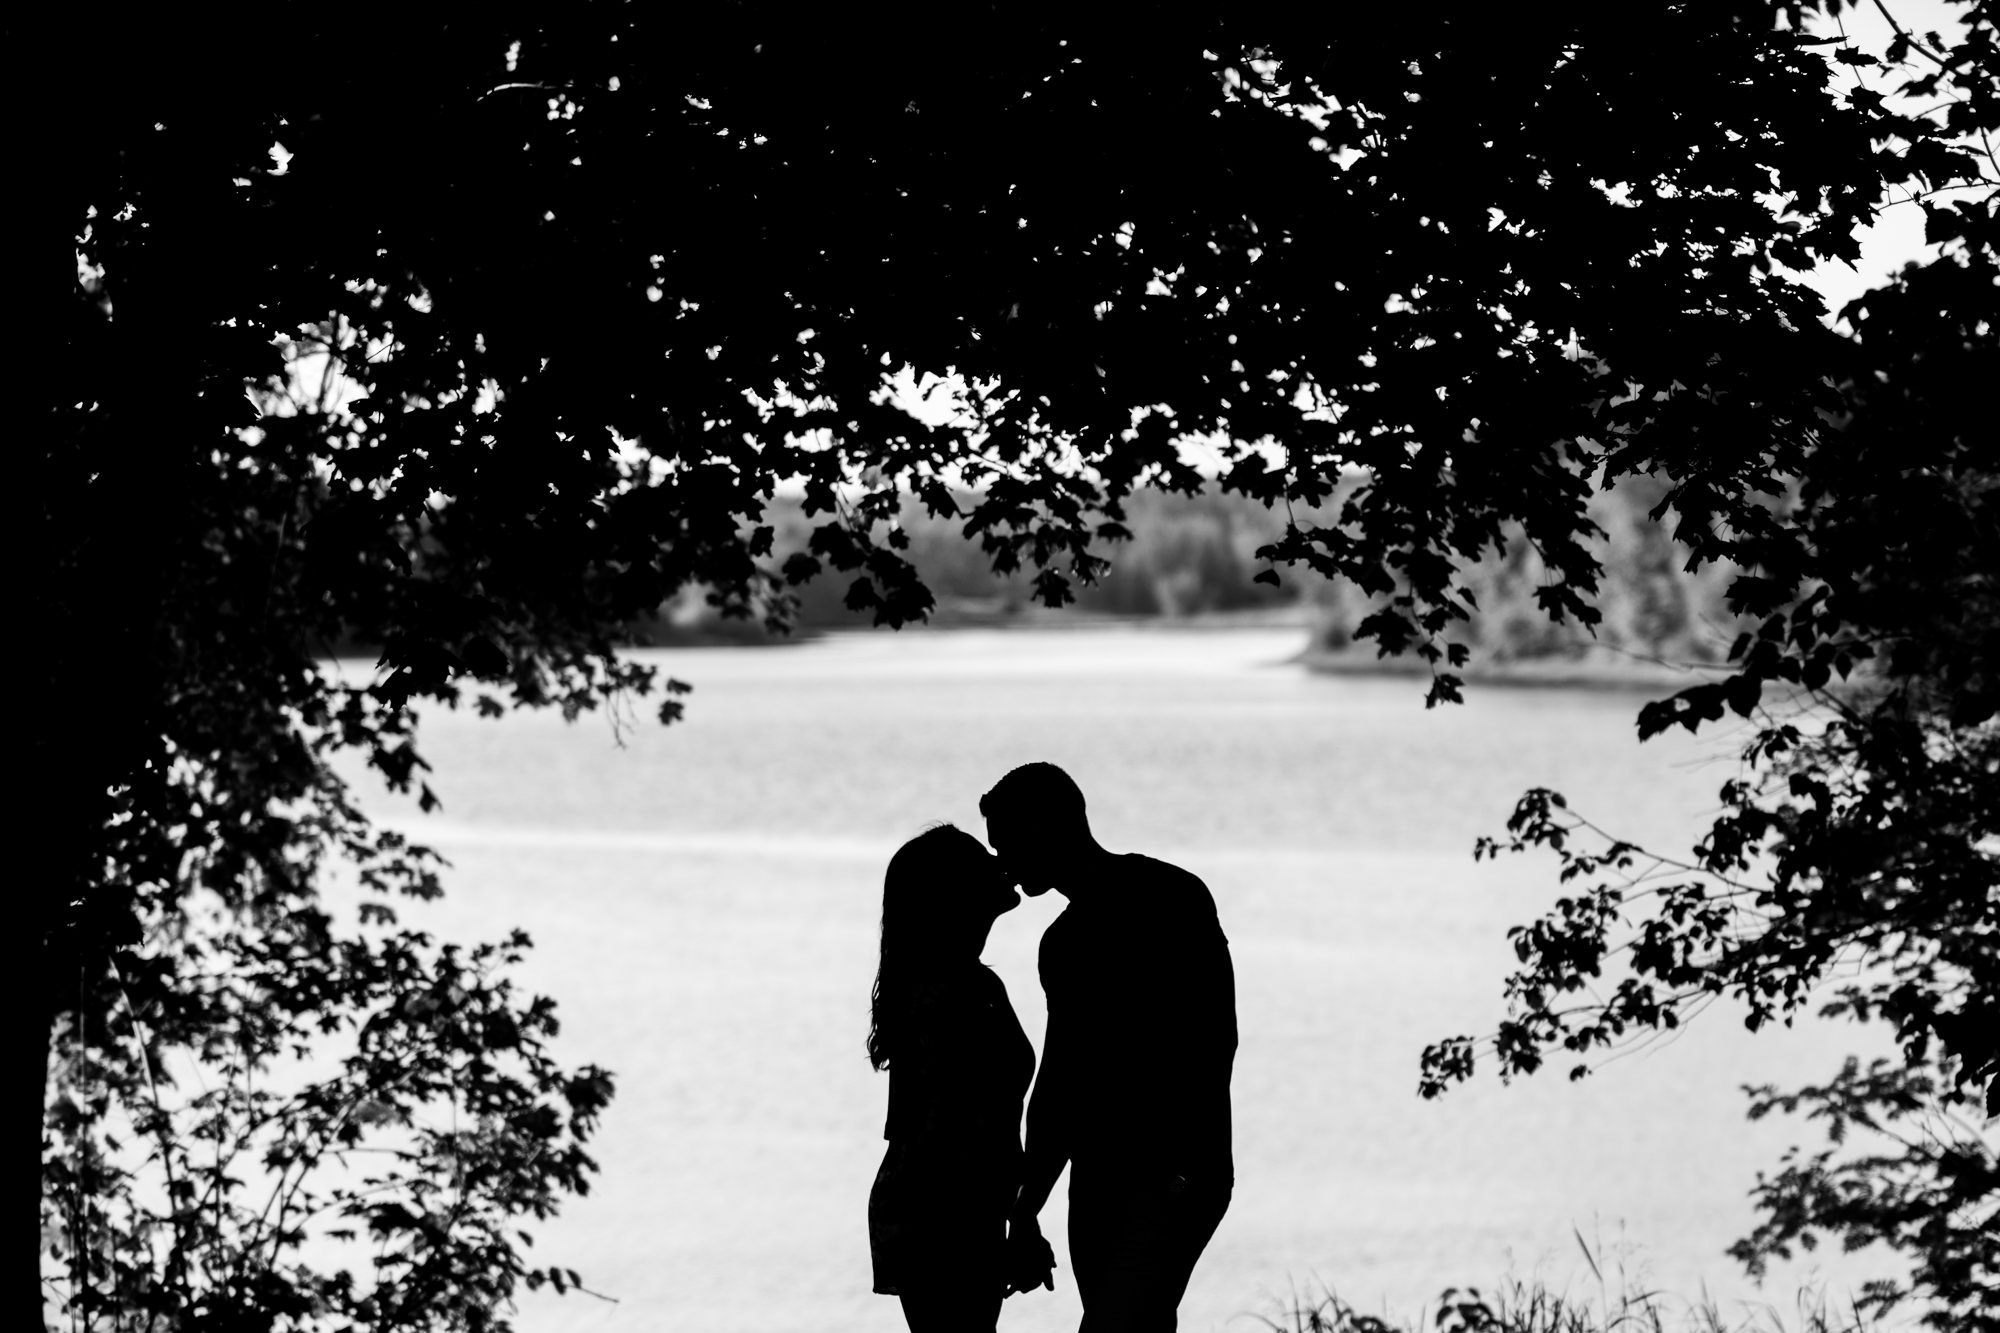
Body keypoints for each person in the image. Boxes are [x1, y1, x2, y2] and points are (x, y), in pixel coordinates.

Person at [983, 763, 1237, 1332]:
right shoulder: (1158, 900)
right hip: (1110, 1178)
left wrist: (1027, 1208)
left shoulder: (1159, 902)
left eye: (1007, 843)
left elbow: (1213, 1042)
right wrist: (1028, 1208)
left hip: (1171, 1173)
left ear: (1043, 826)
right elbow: (1061, 1086)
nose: (1003, 863)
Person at [867, 823, 1053, 1332]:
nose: (1002, 864)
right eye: (984, 860)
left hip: (954, 1207)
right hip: (944, 1214)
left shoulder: (969, 983)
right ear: (957, 892)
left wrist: (1018, 1217)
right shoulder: (949, 994)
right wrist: (1015, 1221)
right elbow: (956, 1131)